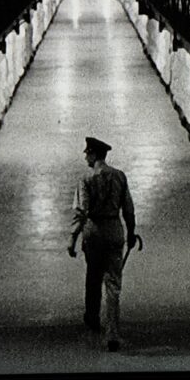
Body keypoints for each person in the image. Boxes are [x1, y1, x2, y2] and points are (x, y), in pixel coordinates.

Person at [67, 136, 136, 352]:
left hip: (94, 231)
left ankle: (92, 318)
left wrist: (72, 238)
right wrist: (131, 233)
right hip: (115, 229)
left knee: (93, 276)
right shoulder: (119, 176)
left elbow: (81, 212)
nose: (85, 156)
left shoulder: (86, 181)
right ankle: (113, 333)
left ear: (95, 155)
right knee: (113, 284)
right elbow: (129, 209)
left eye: (87, 152)